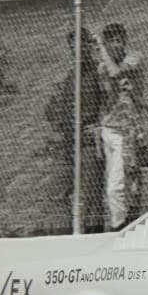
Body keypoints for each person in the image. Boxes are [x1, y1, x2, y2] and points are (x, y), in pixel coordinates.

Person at [45, 29, 107, 233]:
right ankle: (63, 239)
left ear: (88, 46)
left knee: (91, 196)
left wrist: (101, 124)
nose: (76, 51)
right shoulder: (72, 76)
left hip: (90, 142)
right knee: (58, 192)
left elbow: (111, 101)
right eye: (73, 48)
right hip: (69, 142)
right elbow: (62, 108)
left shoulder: (99, 71)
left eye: (81, 45)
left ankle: (93, 239)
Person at [95, 23, 147, 229]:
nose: (116, 45)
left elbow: (116, 73)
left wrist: (99, 46)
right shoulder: (102, 66)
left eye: (119, 41)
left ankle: (120, 227)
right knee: (121, 184)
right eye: (111, 42)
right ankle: (126, 222)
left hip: (127, 130)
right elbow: (105, 97)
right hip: (109, 128)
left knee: (117, 187)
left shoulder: (134, 59)